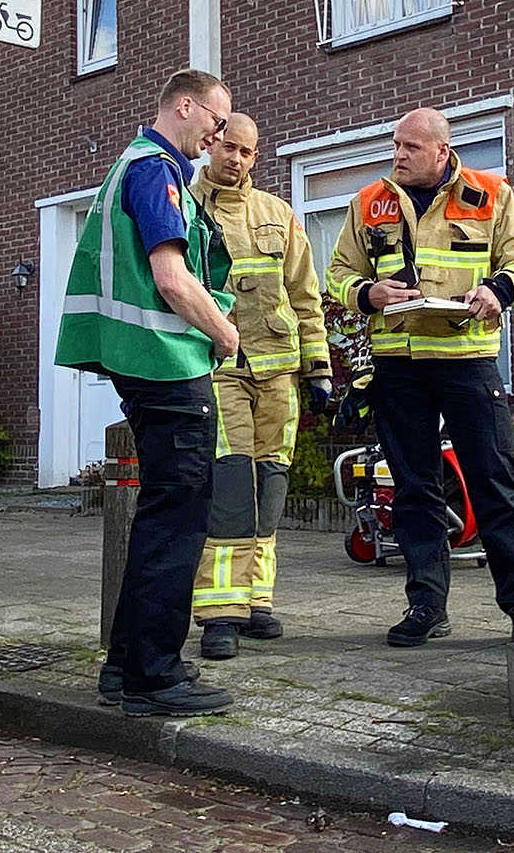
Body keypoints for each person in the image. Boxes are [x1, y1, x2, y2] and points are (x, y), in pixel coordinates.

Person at [327, 108, 514, 647]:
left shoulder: (492, 195)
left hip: (468, 361)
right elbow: (337, 274)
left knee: (494, 484)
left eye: (411, 147)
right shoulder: (368, 202)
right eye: (395, 144)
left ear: (442, 152)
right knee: (413, 489)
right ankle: (426, 605)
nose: (398, 155)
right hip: (396, 365)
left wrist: (497, 291)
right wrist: (367, 293)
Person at [56, 69, 239, 716]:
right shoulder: (153, 170)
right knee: (177, 520)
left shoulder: (135, 167)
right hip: (167, 366)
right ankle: (155, 677)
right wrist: (224, 333)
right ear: (184, 106)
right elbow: (170, 277)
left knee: (163, 515)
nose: (218, 136)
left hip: (143, 364)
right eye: (216, 122)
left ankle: (126, 665)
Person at [188, 113, 332, 659]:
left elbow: (306, 295)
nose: (237, 159)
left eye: (247, 152)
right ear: (211, 145)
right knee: (229, 487)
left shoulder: (279, 214)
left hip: (279, 373)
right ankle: (218, 613)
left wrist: (318, 369)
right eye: (228, 147)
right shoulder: (184, 205)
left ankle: (256, 601)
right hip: (218, 370)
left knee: (270, 487)